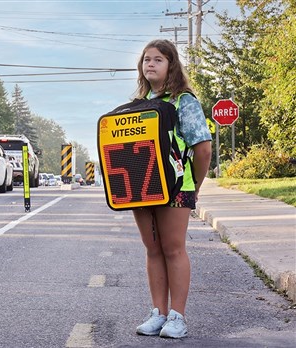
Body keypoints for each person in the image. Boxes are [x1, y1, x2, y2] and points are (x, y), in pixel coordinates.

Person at [131, 40, 212, 339]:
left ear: (171, 66)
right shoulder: (137, 106)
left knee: (173, 249)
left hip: (177, 187)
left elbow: (203, 149)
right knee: (152, 249)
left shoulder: (184, 101)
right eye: (146, 60)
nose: (150, 64)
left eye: (158, 60)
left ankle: (177, 317)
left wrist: (195, 186)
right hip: (141, 188)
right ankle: (158, 314)